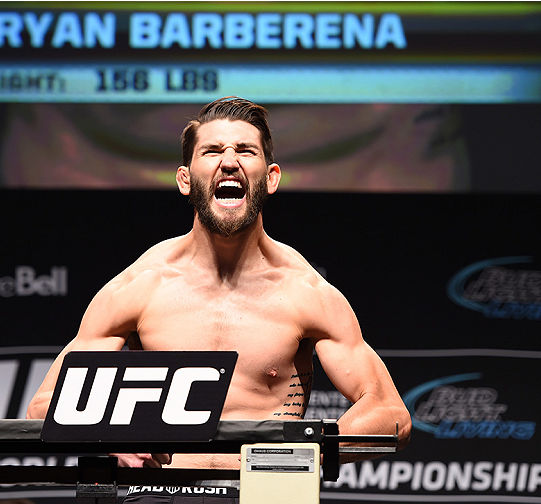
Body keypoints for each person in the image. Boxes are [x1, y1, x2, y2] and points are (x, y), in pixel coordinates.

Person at [27, 96, 411, 502]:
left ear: (272, 177)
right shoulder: (140, 286)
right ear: (185, 179)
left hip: (269, 494)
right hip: (160, 493)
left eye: (246, 150)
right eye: (212, 151)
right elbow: (45, 405)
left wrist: (301, 454)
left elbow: (391, 416)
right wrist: (113, 439)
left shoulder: (306, 293)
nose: (230, 162)